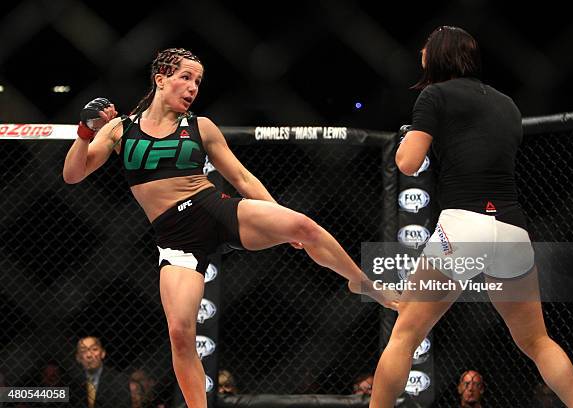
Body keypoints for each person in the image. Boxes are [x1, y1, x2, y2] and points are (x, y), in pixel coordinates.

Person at [63, 47, 398, 408]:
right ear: (160, 79)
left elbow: (240, 176)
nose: (193, 88)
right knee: (179, 333)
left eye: (198, 81)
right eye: (185, 78)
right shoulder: (120, 129)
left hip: (214, 210)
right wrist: (84, 132)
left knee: (303, 225)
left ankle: (359, 280)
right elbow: (73, 174)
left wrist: (277, 219)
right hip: (176, 238)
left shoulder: (200, 126)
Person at [369, 26, 573, 408]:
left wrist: (412, 135)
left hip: (463, 226)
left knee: (404, 335)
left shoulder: (433, 95)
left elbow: (407, 161)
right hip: (512, 230)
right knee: (537, 341)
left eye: (426, 46)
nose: (421, 50)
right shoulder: (508, 104)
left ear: (438, 54)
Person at [72, 336, 131, 407]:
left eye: (94, 349)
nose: (89, 355)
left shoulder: (120, 380)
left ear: (102, 353)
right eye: (83, 351)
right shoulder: (69, 379)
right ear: (78, 357)